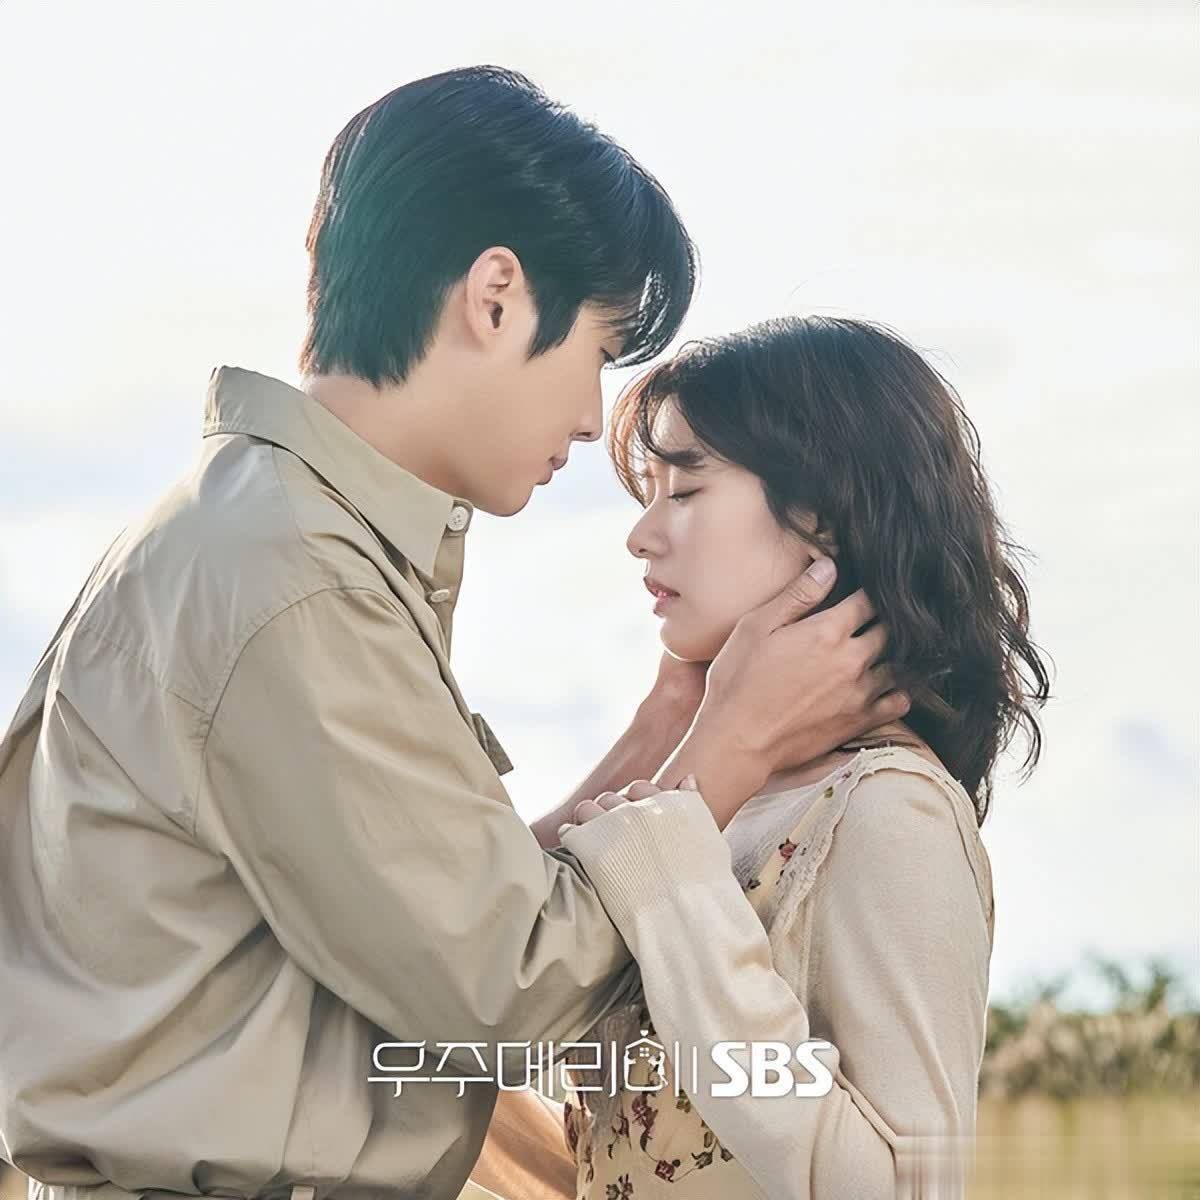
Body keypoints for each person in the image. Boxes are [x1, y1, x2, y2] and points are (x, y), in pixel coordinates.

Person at [0, 71, 908, 1200]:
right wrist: (738, 740)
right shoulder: (293, 579)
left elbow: (450, 914)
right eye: (598, 352)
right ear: (496, 297)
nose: (591, 419)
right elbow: (507, 991)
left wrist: (670, 724)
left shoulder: (267, 534)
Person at [534, 316, 1050, 1199]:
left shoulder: (887, 808)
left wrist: (672, 884)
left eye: (684, 490)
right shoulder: (725, 798)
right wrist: (667, 723)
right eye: (647, 493)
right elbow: (480, 989)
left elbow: (906, 1185)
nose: (641, 535)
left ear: (826, 517)